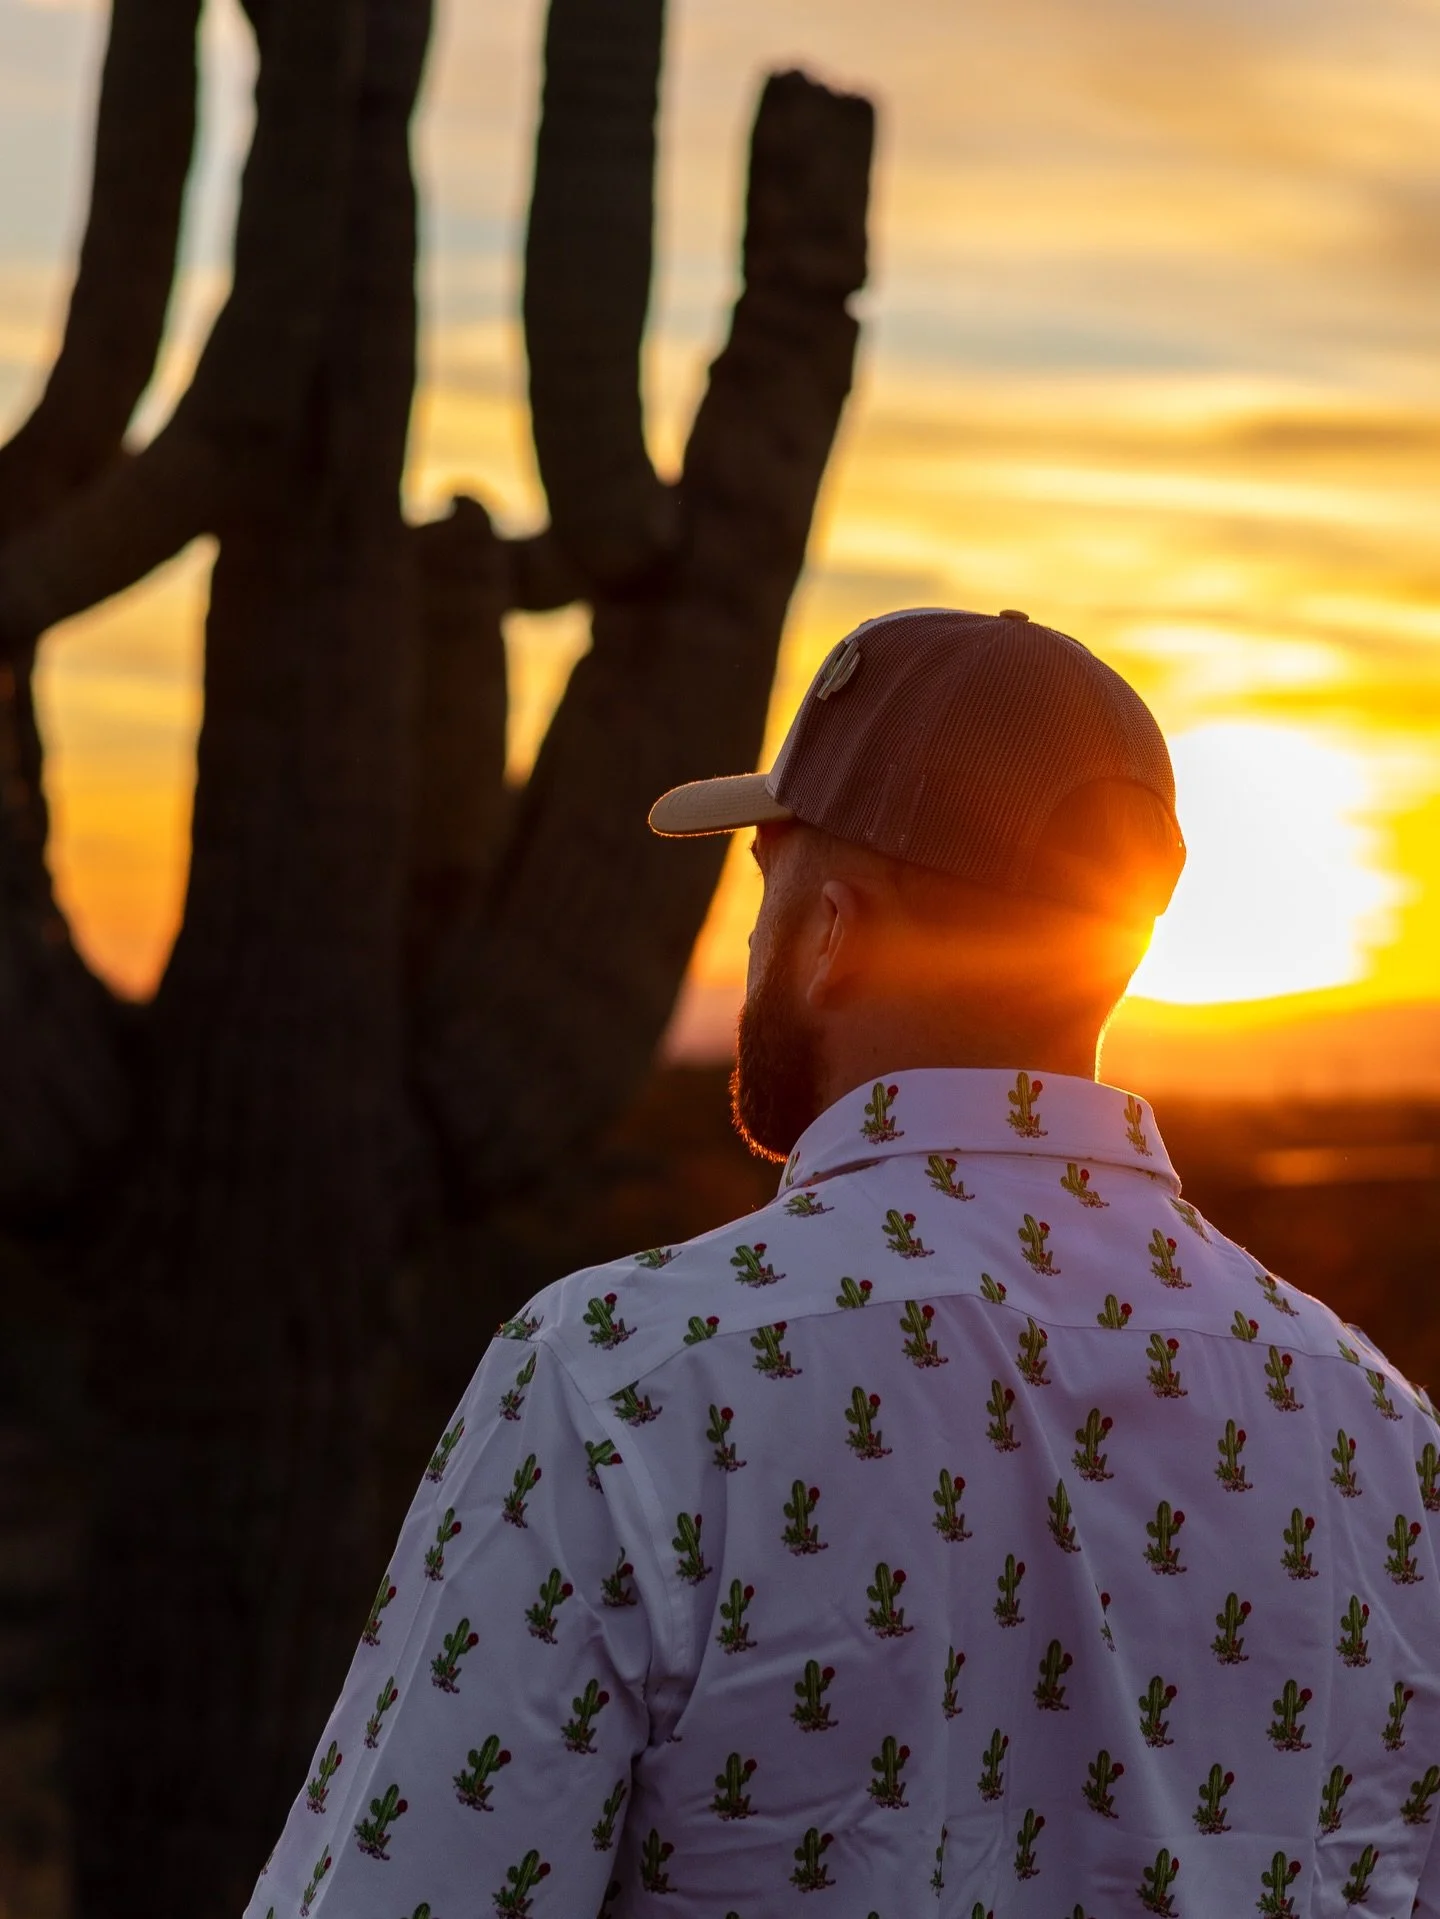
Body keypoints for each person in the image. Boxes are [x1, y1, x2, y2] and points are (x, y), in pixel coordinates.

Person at [247, 607, 1440, 1918]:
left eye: (767, 886)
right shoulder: (1378, 1430)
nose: (752, 944)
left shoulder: (624, 1388)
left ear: (833, 933)